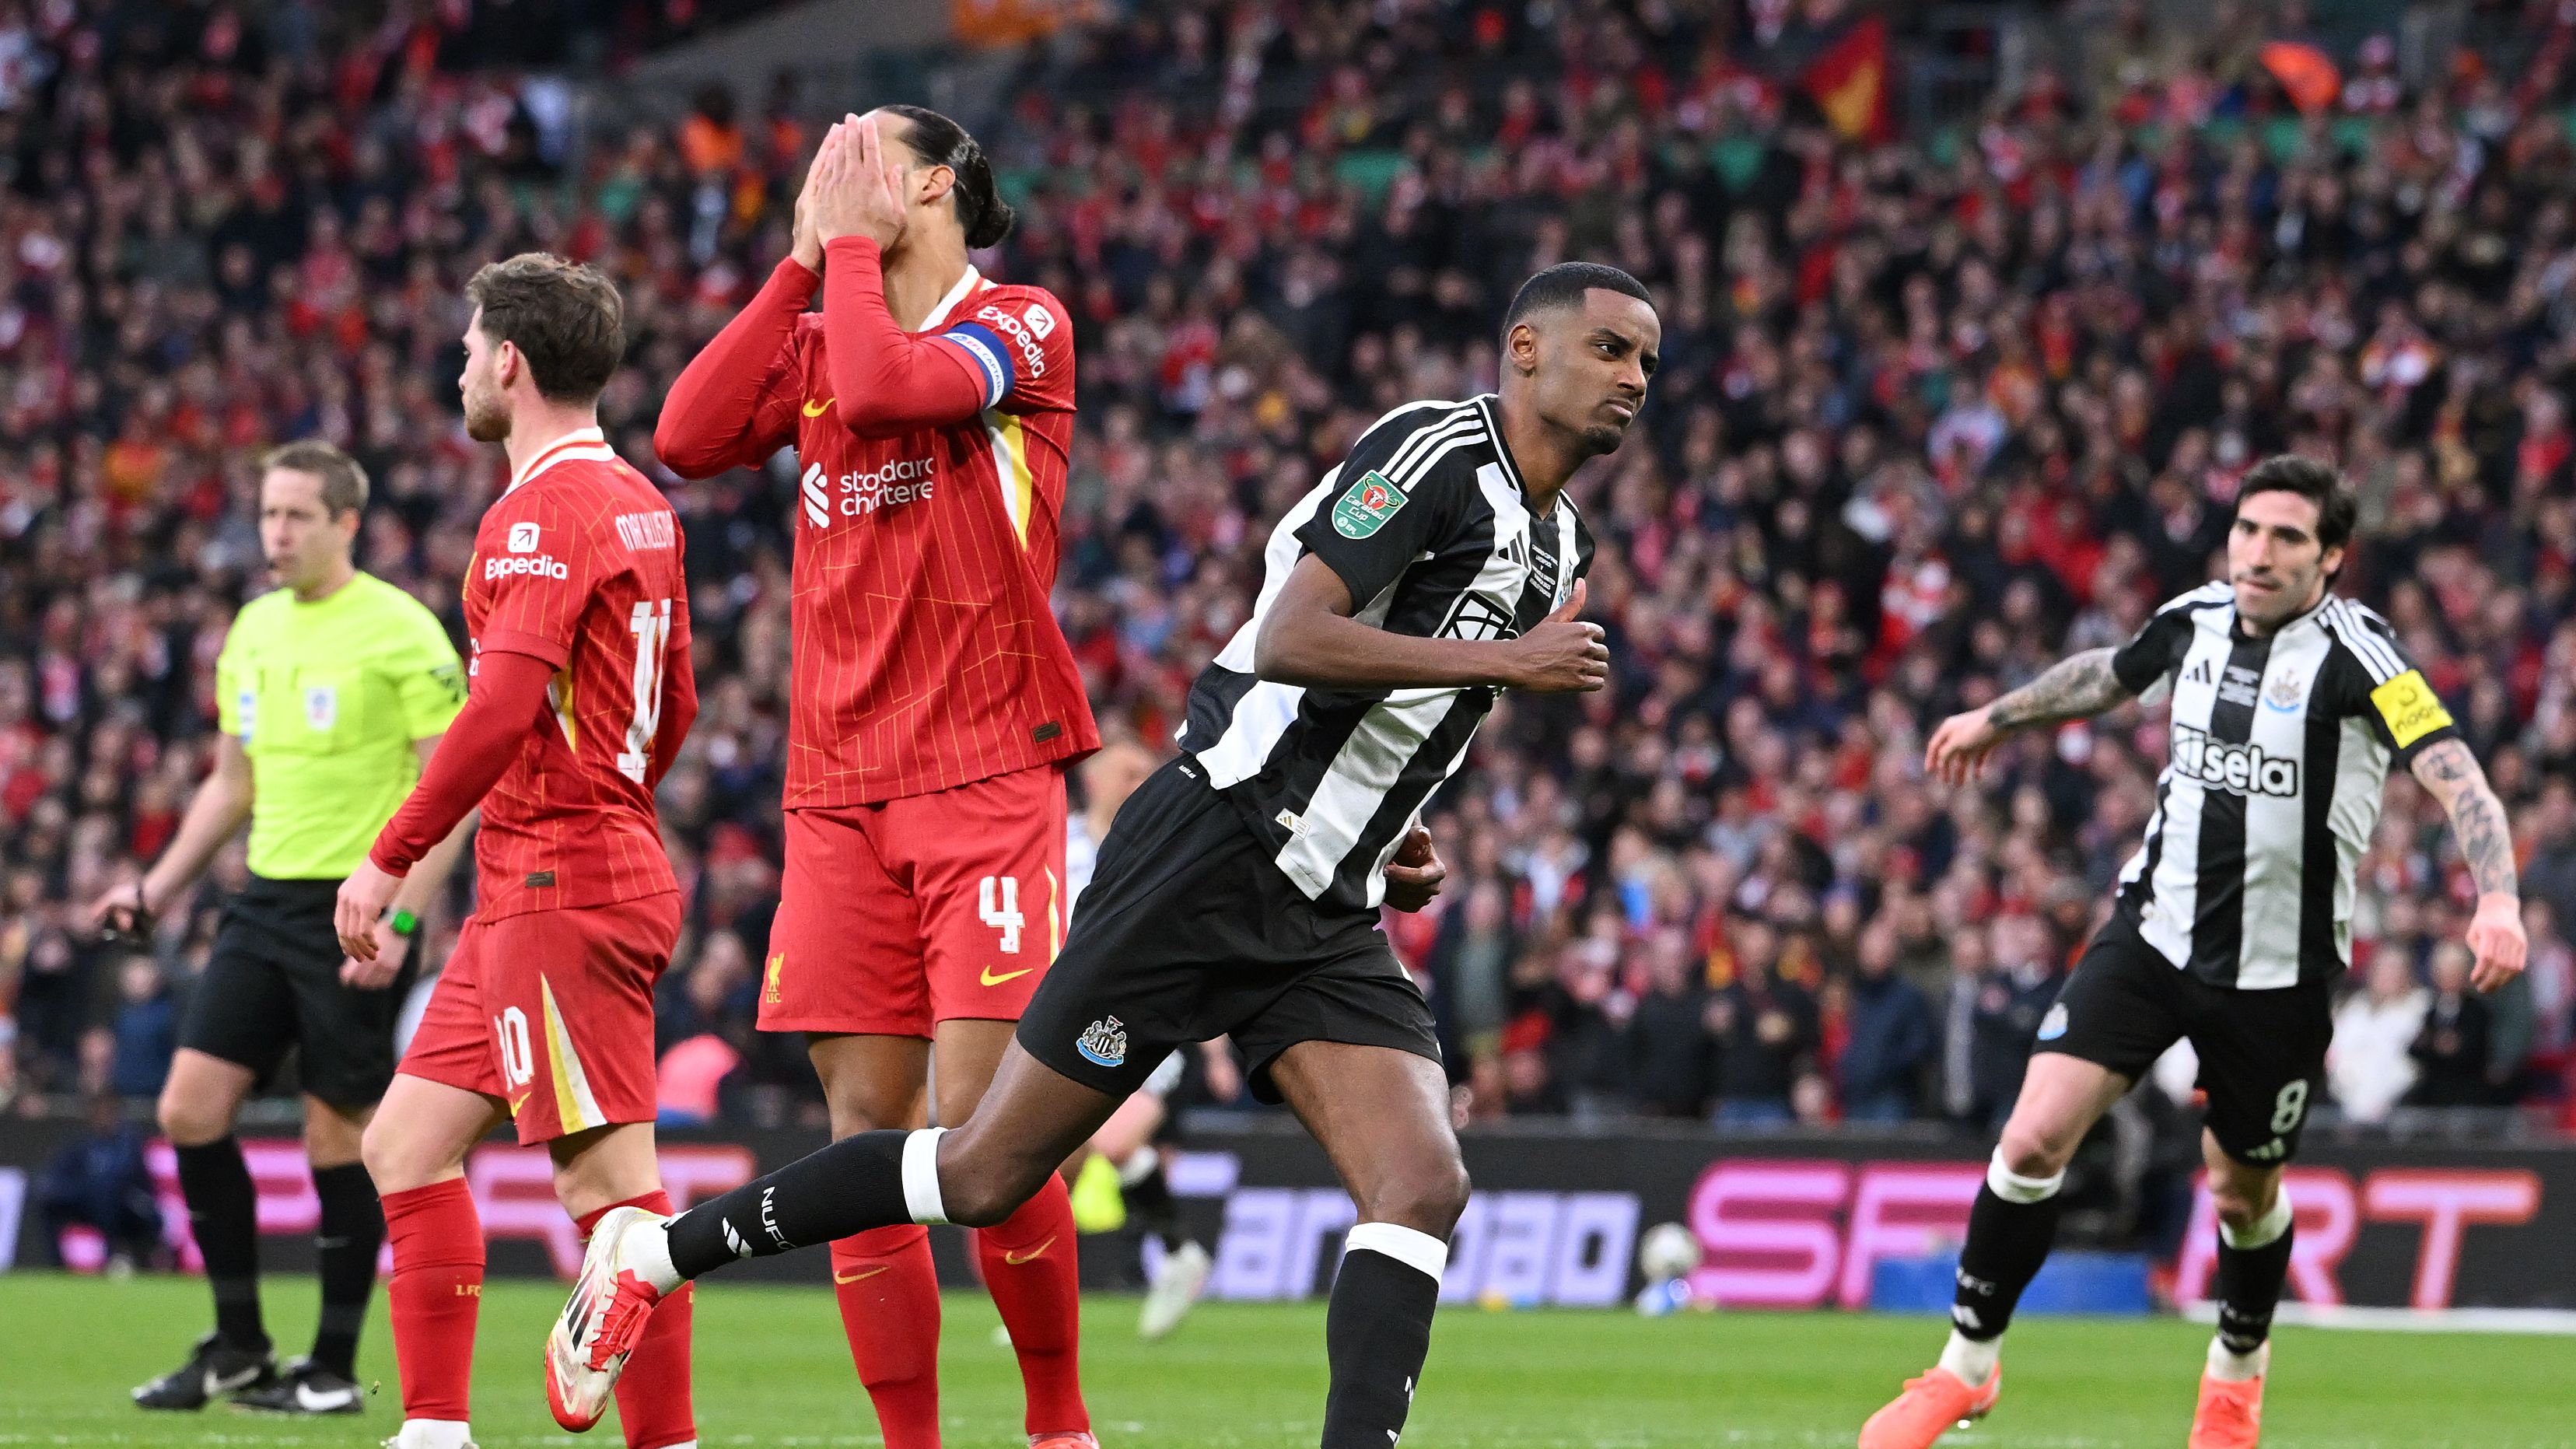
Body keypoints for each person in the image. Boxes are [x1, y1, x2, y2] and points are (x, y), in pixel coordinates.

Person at [548, 261, 1655, 1449]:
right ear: (1525, 350)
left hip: (1324, 901)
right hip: (1210, 851)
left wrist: (1389, 826)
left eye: (1645, 358)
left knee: (1422, 1182)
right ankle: (653, 1253)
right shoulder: (1438, 455)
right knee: (984, 1174)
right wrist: (1506, 665)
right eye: (1610, 350)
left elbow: (1394, 710)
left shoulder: (1556, 542)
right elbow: (1287, 637)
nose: (1635, 378)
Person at [1860, 456, 2528, 1449]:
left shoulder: (2361, 656)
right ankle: (1966, 1368)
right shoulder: (2196, 617)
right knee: (2034, 1134)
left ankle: (2234, 1377)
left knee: (2242, 1193)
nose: (2258, 553)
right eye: (2248, 529)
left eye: (2287, 538)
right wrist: (1997, 718)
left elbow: (2454, 771)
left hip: (2279, 975)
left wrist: (2500, 897)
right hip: (2155, 932)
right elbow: (2109, 673)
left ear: (2331, 558)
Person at [650, 108, 1097, 1449]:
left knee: (984, 1128)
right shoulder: (817, 330)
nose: (830, 169)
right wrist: (800, 267)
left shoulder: (1021, 322)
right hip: (838, 787)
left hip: (983, 769)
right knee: (862, 1124)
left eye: (861, 152)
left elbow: (898, 388)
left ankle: (1056, 1423)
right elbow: (681, 433)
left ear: (938, 185)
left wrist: (842, 253)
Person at [334, 253, 700, 1449]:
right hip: (547, 876)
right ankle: (436, 1429)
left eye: (467, 344)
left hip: (562, 877)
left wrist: (389, 860)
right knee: (404, 1142)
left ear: (511, 361)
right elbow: (677, 701)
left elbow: (498, 711)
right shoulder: (642, 501)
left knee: (614, 1200)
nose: (458, 365)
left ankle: (669, 1441)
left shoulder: (539, 510)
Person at [93, 439, 473, 1416]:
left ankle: (335, 1367)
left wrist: (399, 915)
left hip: (355, 908)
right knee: (188, 1109)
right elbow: (232, 784)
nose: (276, 532)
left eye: (298, 514)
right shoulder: (253, 629)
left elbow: (455, 789)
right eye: (268, 513)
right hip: (262, 901)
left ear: (348, 522)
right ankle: (240, 1343)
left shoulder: (400, 630)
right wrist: (159, 889)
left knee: (335, 1133)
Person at [1055, 737, 1239, 1339]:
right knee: (1064, 1155)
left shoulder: (1158, 847)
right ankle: (1177, 1252)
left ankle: (1176, 1257)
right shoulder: (1057, 843)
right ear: (1094, 780)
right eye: (1127, 772)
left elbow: (1193, 940)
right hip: (1069, 1018)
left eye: (1144, 774)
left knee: (1107, 1138)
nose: (1139, 783)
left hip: (1154, 1019)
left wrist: (1215, 1049)